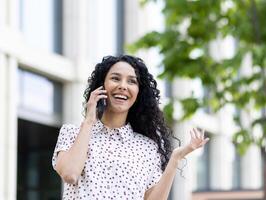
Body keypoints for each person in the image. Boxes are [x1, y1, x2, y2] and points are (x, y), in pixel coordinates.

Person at [52, 55, 209, 200]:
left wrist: (175, 159)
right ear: (101, 86)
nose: (123, 86)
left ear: (138, 93)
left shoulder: (148, 147)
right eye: (115, 78)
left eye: (131, 81)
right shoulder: (72, 133)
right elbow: (70, 174)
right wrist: (89, 121)